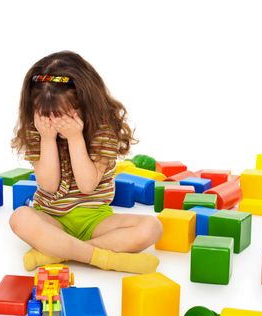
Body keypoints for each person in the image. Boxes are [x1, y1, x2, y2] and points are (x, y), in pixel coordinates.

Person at [10, 51, 162, 274]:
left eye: (62, 115)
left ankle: (56, 252)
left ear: (85, 103)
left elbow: (87, 185)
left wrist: (74, 137)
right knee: (19, 218)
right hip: (51, 217)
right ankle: (103, 258)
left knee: (152, 227)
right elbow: (49, 185)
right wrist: (48, 138)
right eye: (46, 115)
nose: (54, 122)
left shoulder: (104, 131)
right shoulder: (39, 130)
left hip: (95, 220)